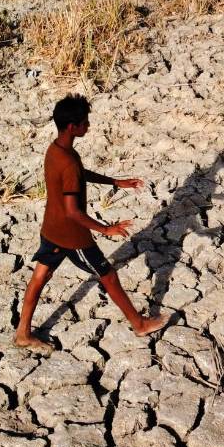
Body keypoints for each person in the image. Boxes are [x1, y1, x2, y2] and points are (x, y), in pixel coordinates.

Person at [15, 94, 165, 351]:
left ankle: (22, 333)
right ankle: (139, 324)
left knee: (40, 277)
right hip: (72, 236)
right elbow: (73, 211)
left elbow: (77, 175)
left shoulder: (56, 151)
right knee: (108, 276)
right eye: (85, 122)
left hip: (50, 227)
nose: (89, 125)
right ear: (72, 127)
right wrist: (107, 229)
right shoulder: (69, 162)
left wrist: (116, 182)